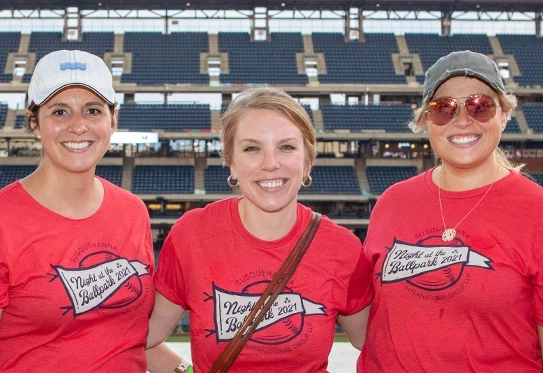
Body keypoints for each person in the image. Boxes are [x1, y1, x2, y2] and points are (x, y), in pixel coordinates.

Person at [358, 51, 543, 372]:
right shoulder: (391, 203)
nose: (463, 120)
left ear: (504, 115)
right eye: (443, 109)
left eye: (480, 106)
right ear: (426, 120)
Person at [0, 50, 155, 372]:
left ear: (113, 120)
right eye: (59, 112)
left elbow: (122, 335)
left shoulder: (133, 211)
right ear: (34, 123)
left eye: (93, 110)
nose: (78, 126)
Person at [146, 87, 373, 372]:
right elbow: (140, 339)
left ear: (307, 162)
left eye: (286, 147)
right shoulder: (192, 235)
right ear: (231, 162)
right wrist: (185, 371)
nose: (270, 164)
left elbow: (380, 347)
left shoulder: (343, 249)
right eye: (252, 148)